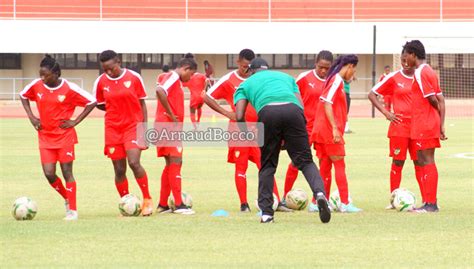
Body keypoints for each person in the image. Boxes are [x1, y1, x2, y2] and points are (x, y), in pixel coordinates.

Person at [234, 57, 331, 224]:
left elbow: (240, 115)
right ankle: (320, 194)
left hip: (268, 112)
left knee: (268, 166)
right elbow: (300, 105)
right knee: (306, 161)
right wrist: (291, 135)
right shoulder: (286, 77)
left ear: (251, 71)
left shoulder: (245, 84)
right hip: (294, 112)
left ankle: (267, 214)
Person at [204, 49, 287, 212]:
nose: (247, 70)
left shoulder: (259, 79)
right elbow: (207, 96)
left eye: (250, 67)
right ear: (238, 62)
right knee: (241, 166)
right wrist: (228, 113)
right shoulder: (229, 80)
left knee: (265, 164)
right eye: (244, 67)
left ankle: (276, 201)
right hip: (238, 129)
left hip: (259, 128)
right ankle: (244, 204)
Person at [20, 55, 96, 220]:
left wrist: (75, 121)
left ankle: (73, 210)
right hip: (45, 137)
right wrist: (32, 117)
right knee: (49, 173)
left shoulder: (70, 88)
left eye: (45, 75)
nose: (42, 78)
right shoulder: (37, 85)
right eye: (40, 74)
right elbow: (23, 95)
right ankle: (67, 199)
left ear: (55, 73)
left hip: (64, 137)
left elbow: (92, 101)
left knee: (67, 172)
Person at [93, 50, 154, 216]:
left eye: (111, 68)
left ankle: (147, 200)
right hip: (113, 129)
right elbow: (99, 103)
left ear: (118, 61)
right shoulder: (101, 82)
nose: (108, 72)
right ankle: (126, 202)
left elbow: (142, 105)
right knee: (119, 170)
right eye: (105, 69)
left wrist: (144, 130)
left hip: (133, 127)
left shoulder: (134, 78)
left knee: (134, 163)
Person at [368, 55, 425, 208]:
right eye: (402, 61)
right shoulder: (393, 77)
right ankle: (394, 199)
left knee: (419, 162)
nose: (405, 64)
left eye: (408, 61)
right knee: (398, 161)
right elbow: (372, 94)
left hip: (418, 127)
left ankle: (426, 200)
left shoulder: (421, 77)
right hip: (399, 127)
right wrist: (386, 112)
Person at [310, 54, 362, 213]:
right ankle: (345, 203)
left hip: (321, 130)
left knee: (325, 167)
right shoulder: (336, 80)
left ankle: (315, 203)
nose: (353, 74)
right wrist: (334, 128)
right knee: (340, 165)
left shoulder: (333, 79)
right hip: (328, 131)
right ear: (350, 66)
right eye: (353, 71)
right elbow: (327, 102)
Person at [283, 50, 334, 212]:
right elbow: (289, 95)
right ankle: (285, 197)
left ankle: (319, 200)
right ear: (315, 64)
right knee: (297, 162)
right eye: (321, 67)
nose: (324, 71)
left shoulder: (334, 80)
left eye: (327, 68)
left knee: (325, 163)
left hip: (324, 129)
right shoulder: (304, 78)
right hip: (304, 128)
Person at [402, 40, 447, 213]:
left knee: (426, 160)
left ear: (413, 55)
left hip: (425, 123)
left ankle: (431, 204)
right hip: (428, 123)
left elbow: (433, 100)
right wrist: (441, 124)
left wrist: (435, 118)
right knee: (422, 159)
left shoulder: (420, 72)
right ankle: (429, 201)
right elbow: (442, 99)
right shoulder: (430, 71)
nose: (406, 61)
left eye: (407, 57)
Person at [155, 57, 198, 215]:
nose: (191, 78)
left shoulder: (174, 80)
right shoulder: (173, 76)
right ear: (185, 68)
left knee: (170, 164)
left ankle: (162, 204)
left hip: (168, 126)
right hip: (168, 126)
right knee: (176, 162)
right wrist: (172, 115)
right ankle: (179, 205)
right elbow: (159, 91)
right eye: (191, 74)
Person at [183, 53, 209, 129]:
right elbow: (207, 80)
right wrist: (204, 89)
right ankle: (198, 121)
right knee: (199, 108)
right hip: (201, 97)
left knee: (192, 112)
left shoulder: (188, 77)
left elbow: (182, 83)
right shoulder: (201, 75)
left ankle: (195, 127)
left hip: (194, 97)